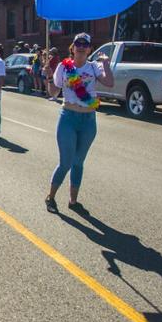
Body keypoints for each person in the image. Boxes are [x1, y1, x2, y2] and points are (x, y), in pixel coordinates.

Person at [45, 33, 114, 212]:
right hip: (68, 117)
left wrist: (106, 63)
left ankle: (73, 201)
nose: (81, 47)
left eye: (85, 44)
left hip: (89, 120)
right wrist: (48, 76)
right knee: (66, 162)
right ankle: (50, 197)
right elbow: (53, 93)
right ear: (73, 48)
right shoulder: (63, 67)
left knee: (78, 162)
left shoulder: (94, 67)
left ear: (90, 48)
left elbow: (109, 83)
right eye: (78, 43)